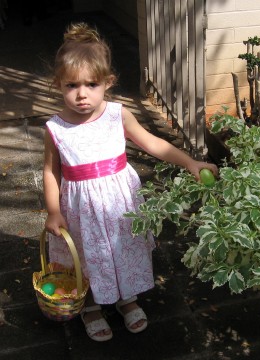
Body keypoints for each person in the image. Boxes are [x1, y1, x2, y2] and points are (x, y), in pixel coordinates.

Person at [43, 22, 218, 342]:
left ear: (107, 83)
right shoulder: (56, 128)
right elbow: (51, 171)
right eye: (71, 86)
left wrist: (190, 162)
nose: (82, 94)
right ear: (59, 85)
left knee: (123, 248)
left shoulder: (117, 115)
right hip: (81, 210)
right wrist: (53, 210)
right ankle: (92, 303)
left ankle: (126, 297)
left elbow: (154, 143)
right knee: (86, 254)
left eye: (91, 84)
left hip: (120, 204)